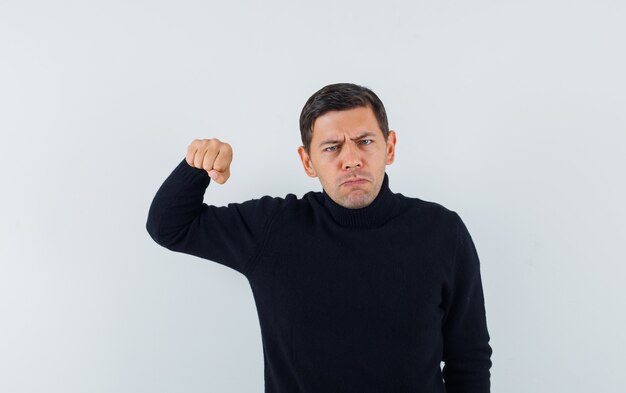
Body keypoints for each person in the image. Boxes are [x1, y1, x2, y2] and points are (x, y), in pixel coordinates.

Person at [146, 82, 492, 393]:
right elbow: (169, 226)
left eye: (365, 141)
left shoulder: (442, 232)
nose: (351, 159)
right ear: (307, 161)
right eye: (331, 147)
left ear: (389, 147)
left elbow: (468, 359)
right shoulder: (273, 229)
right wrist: (197, 166)